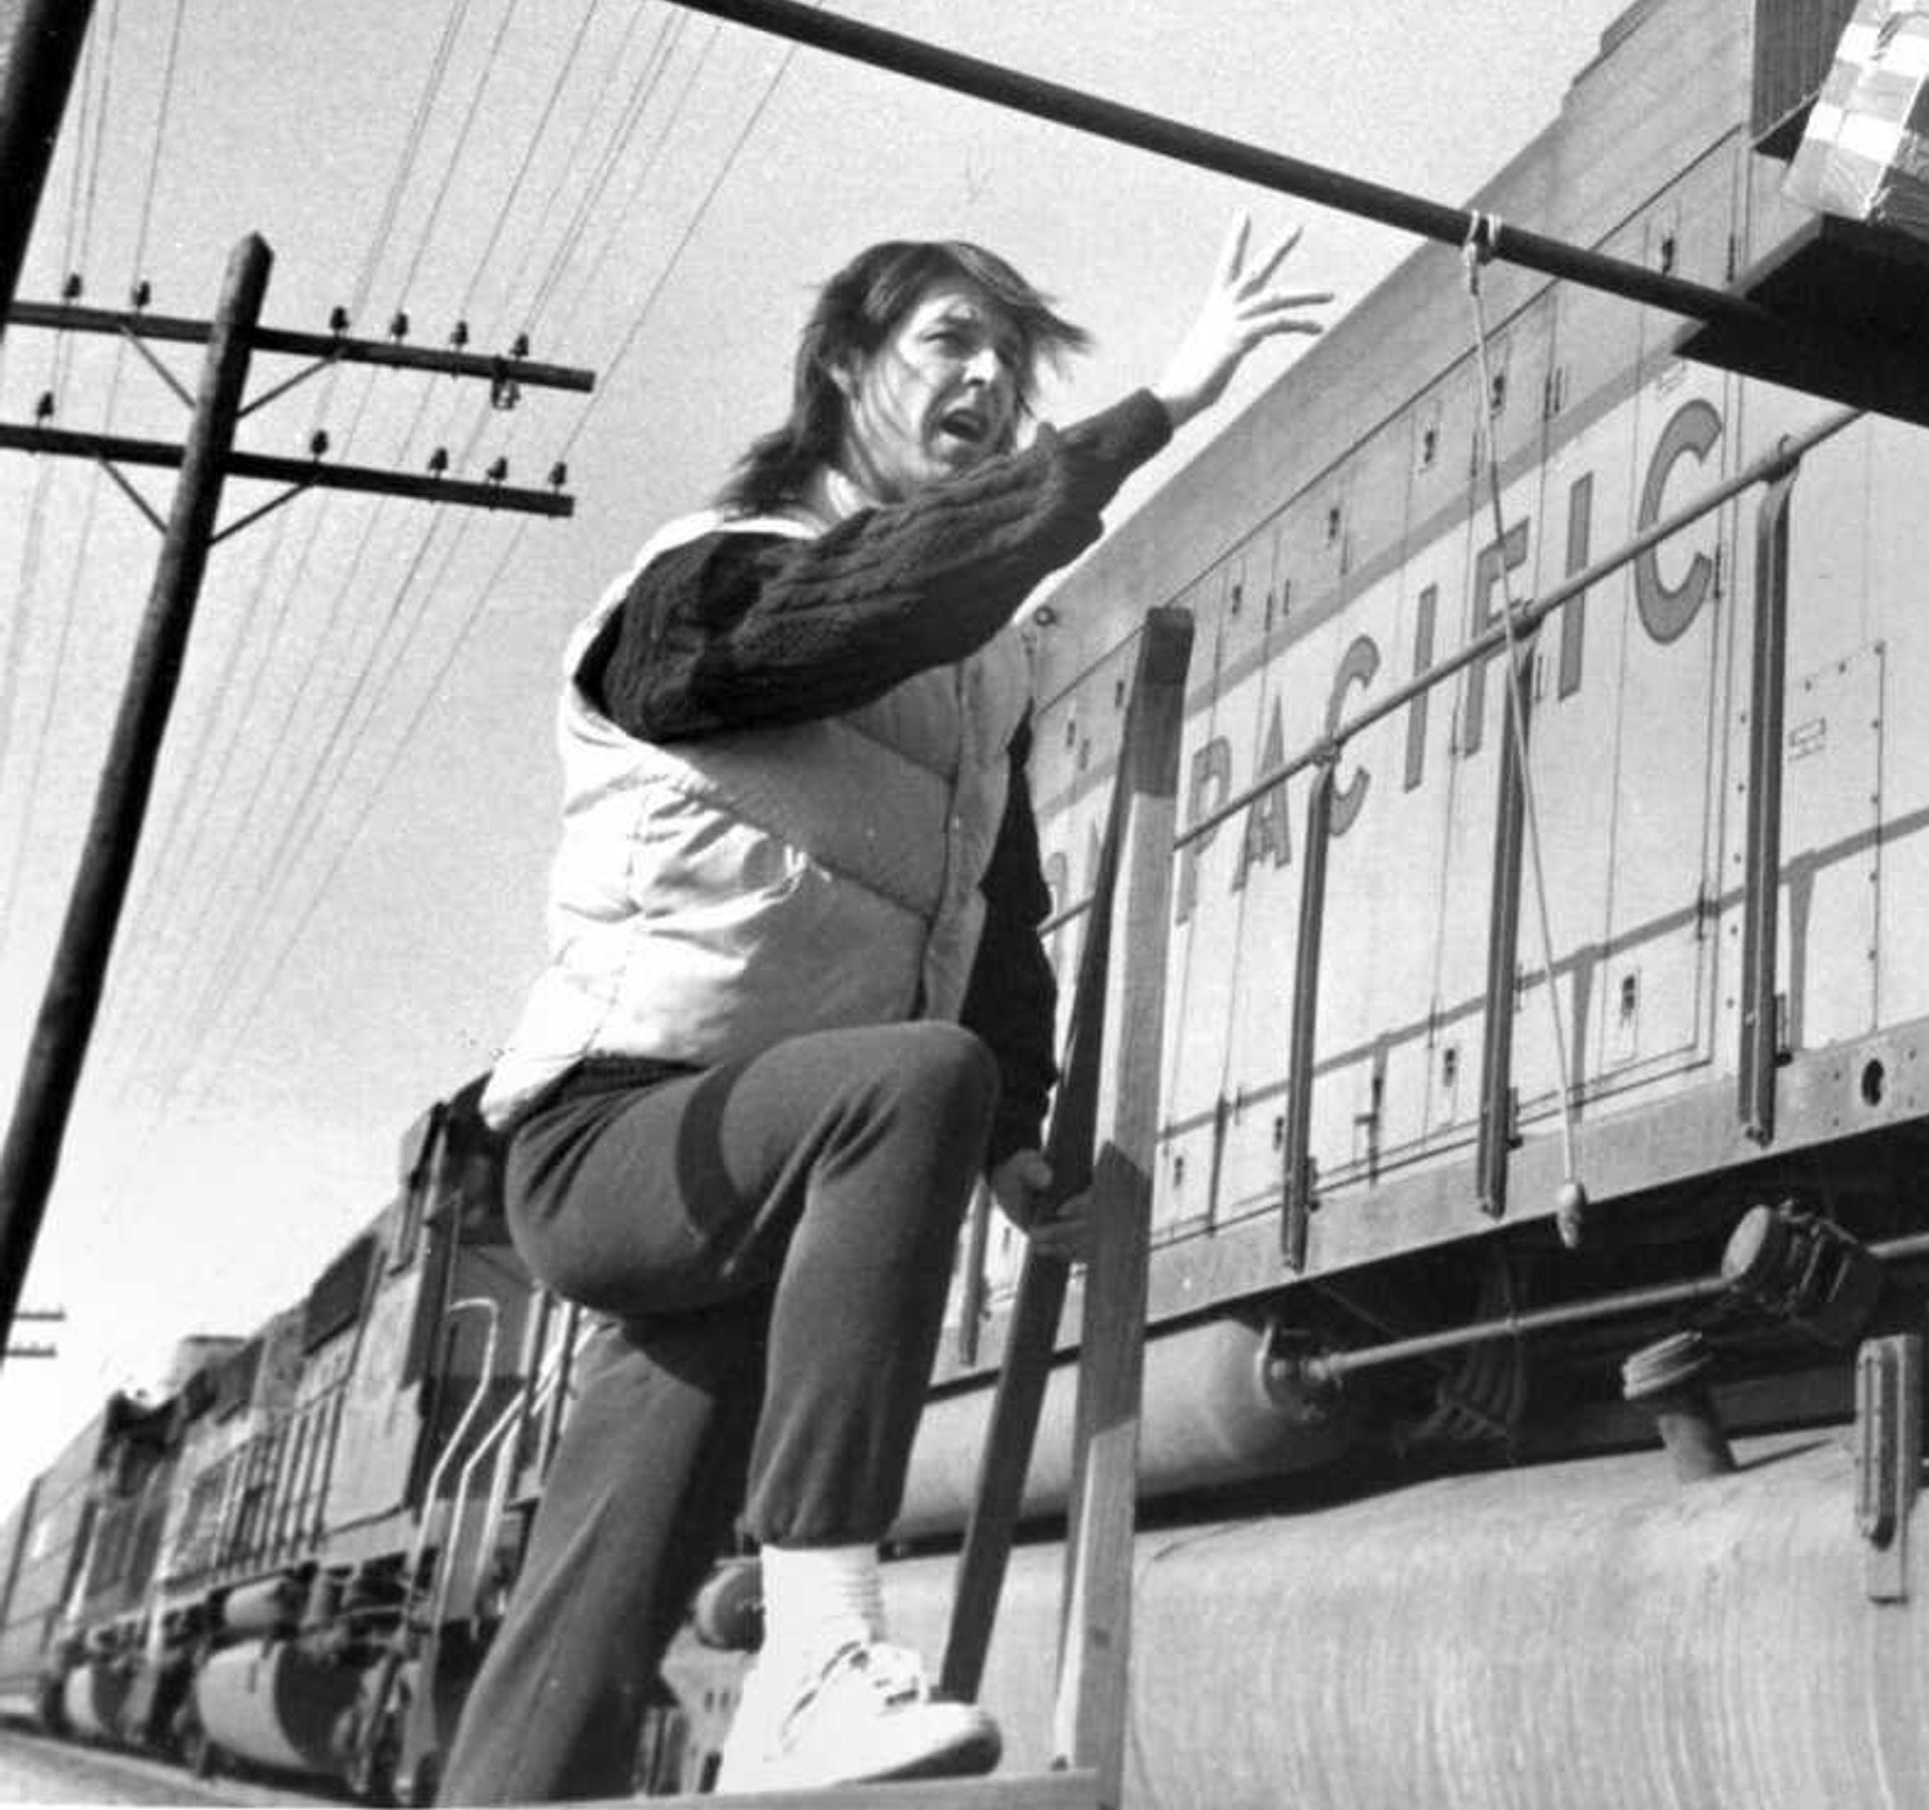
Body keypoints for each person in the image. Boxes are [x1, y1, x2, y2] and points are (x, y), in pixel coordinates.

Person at [440, 217, 1333, 1801]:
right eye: (948, 344)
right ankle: (815, 1666)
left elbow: (998, 934)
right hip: (615, 1141)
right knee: (916, 1079)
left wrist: (1020, 1149)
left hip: (767, 1189)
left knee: (591, 1609)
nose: (987, 378)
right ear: (846, 369)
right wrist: (1154, 414)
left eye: (1011, 357)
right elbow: (855, 611)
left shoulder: (974, 686)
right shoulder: (709, 580)